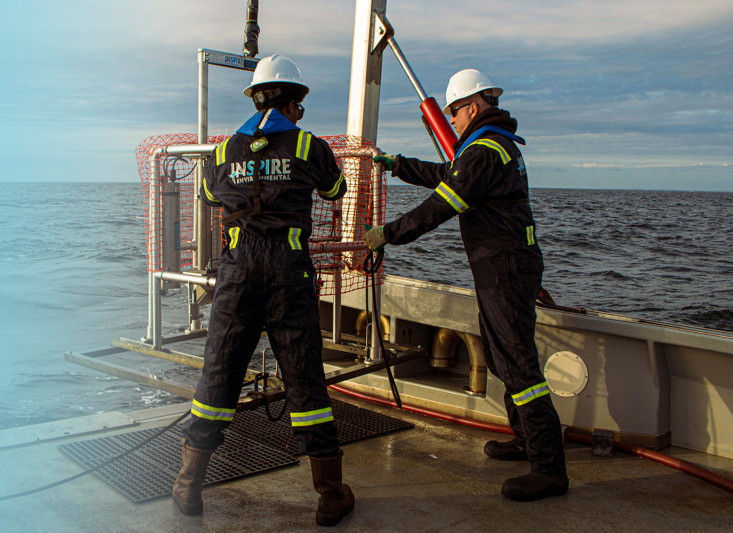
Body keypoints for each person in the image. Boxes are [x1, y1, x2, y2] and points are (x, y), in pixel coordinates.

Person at [364, 69, 569, 502]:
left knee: (517, 365)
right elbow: (449, 172)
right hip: (504, 267)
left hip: (505, 269)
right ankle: (526, 440)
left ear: (471, 107)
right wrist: (398, 166)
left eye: (454, 112)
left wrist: (388, 233)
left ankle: (550, 467)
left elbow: (444, 202)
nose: (451, 120)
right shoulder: (490, 145)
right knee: (499, 357)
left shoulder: (483, 149)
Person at [172, 54, 354, 526]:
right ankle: (331, 495)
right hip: (287, 274)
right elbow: (336, 190)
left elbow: (213, 195)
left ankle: (188, 485)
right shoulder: (309, 146)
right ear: (293, 101)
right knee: (305, 382)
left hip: (236, 275)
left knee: (218, 377)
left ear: (255, 97)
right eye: (300, 106)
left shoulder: (222, 151)